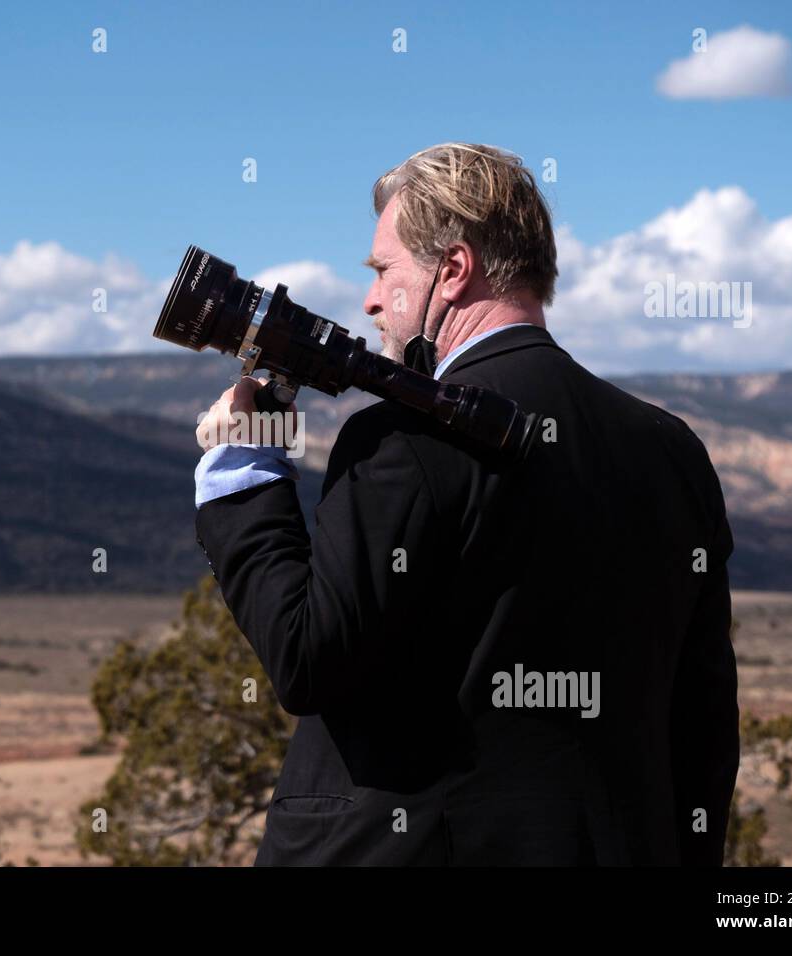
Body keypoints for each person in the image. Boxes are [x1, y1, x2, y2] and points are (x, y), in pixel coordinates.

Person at [192, 143, 739, 866]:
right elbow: (704, 723)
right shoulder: (671, 449)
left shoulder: (402, 437)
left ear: (452, 271)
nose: (369, 299)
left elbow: (307, 658)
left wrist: (244, 470)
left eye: (384, 271)